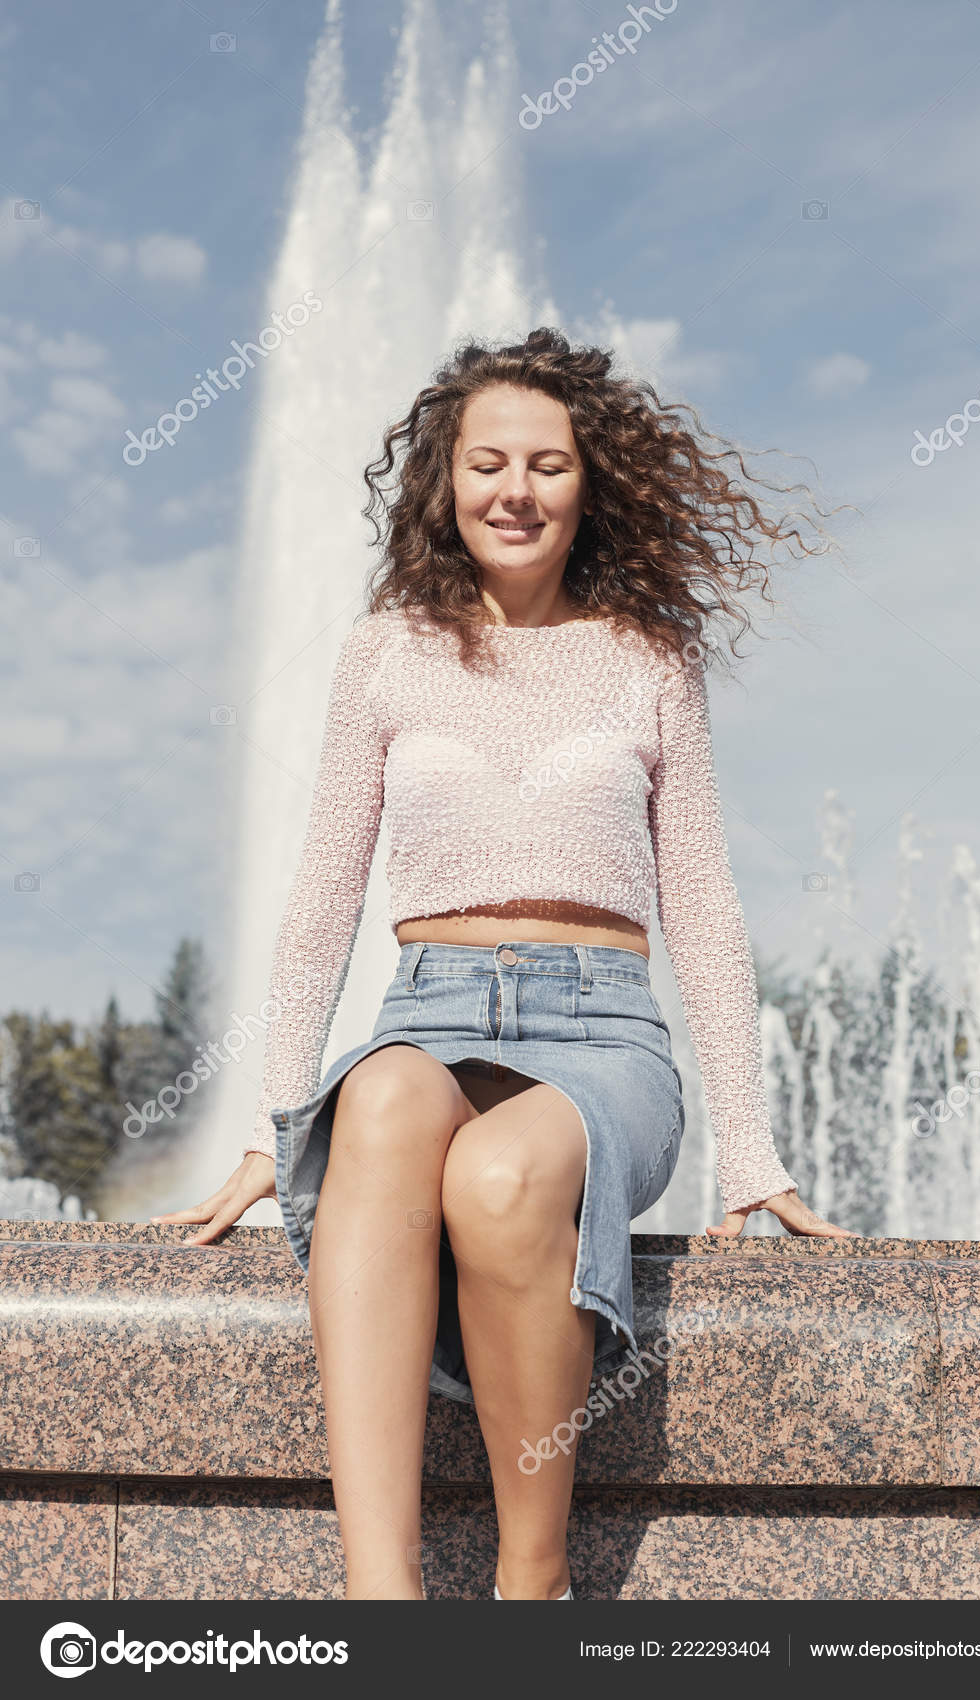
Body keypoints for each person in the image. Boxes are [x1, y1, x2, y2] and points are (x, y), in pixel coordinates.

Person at [155, 327, 857, 1602]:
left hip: (603, 1035)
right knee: (374, 1104)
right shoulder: (386, 650)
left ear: (590, 485)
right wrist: (276, 1112)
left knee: (494, 1177)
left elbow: (699, 899)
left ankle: (527, 1597)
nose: (514, 490)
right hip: (427, 1007)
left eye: (547, 463)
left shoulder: (649, 653)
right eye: (487, 462)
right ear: (446, 479)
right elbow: (324, 889)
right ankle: (386, 1600)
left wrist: (750, 1149)